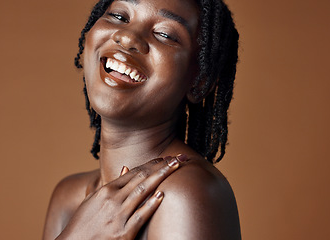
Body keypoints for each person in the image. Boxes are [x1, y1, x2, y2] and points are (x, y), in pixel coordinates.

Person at [43, 0, 240, 239]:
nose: (127, 37)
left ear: (199, 82)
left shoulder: (184, 194)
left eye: (164, 34)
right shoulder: (68, 196)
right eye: (118, 16)